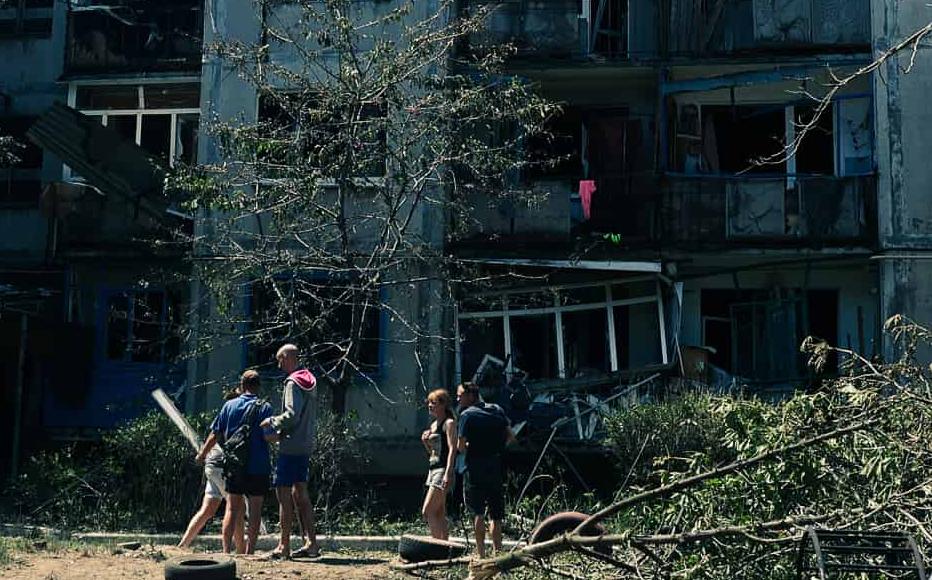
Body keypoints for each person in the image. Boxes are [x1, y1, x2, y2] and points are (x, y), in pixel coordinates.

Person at [196, 370, 274, 554]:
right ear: (258, 386)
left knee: (231, 509)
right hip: (258, 465)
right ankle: (250, 551)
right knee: (255, 510)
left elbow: (215, 433)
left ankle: (225, 551)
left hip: (235, 465)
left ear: (241, 385)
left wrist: (202, 454)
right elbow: (268, 436)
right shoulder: (265, 407)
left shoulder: (229, 406)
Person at [259, 344, 320, 559]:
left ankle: (283, 546)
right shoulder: (309, 380)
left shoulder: (293, 383)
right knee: (300, 493)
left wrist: (272, 421)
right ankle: (311, 544)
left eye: (280, 359)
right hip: (304, 445)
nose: (278, 364)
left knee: (283, 494)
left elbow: (292, 415)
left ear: (287, 357)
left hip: (290, 447)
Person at [178, 387, 246, 550]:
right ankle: (240, 550)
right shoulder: (238, 413)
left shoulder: (226, 410)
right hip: (223, 465)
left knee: (208, 509)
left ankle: (183, 545)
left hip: (212, 465)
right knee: (236, 507)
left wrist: (203, 455)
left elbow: (213, 435)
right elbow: (214, 435)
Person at [456, 382, 515, 558]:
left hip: (475, 468)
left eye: (460, 395)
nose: (457, 398)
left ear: (470, 395)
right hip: (495, 465)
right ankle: (498, 554)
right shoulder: (497, 409)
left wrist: (470, 448)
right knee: (496, 514)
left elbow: (460, 446)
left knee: (478, 512)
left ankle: (481, 555)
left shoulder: (466, 415)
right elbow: (511, 437)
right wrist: (496, 449)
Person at [420, 388, 457, 540]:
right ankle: (444, 546)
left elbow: (452, 449)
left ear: (443, 405)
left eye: (433, 403)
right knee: (439, 512)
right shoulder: (433, 425)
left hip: (443, 470)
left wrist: (448, 472)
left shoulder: (448, 423)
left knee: (427, 510)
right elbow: (433, 453)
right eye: (429, 402)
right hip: (433, 469)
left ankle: (436, 546)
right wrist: (425, 442)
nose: (430, 405)